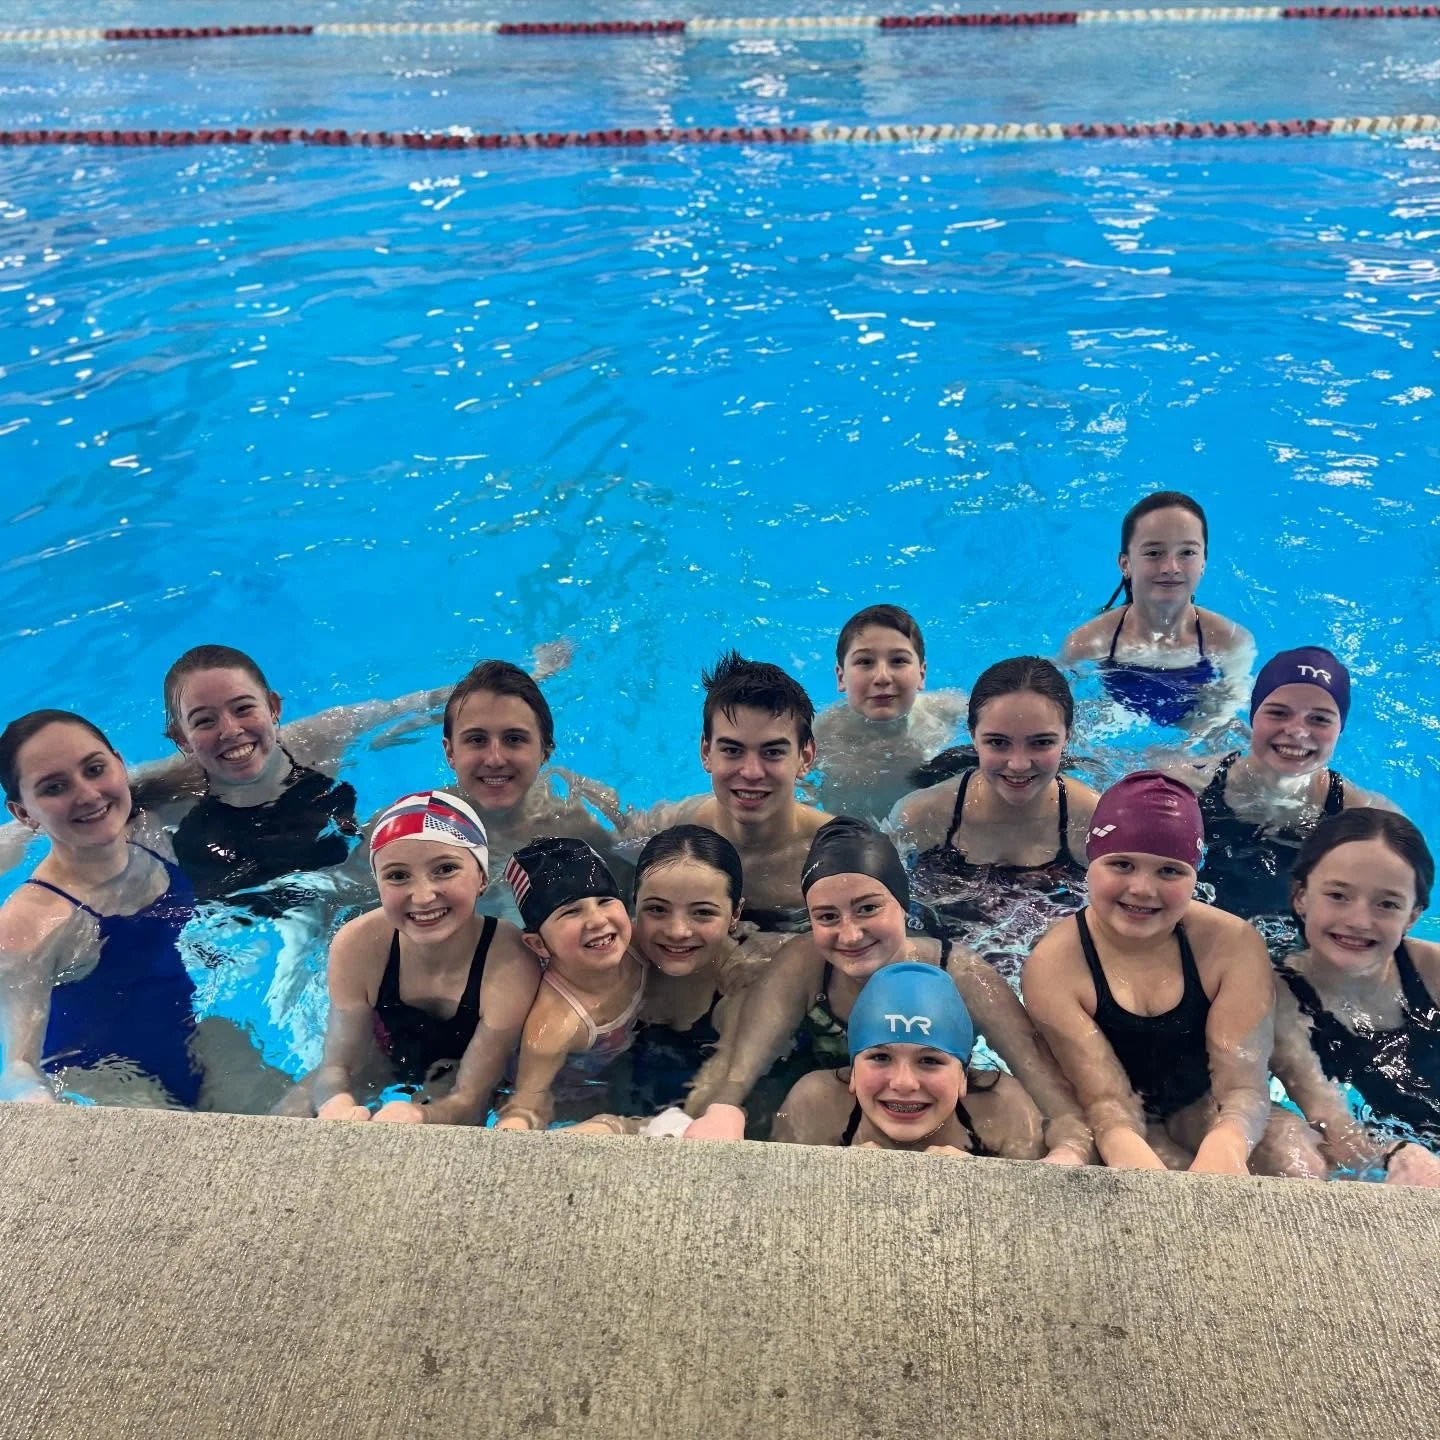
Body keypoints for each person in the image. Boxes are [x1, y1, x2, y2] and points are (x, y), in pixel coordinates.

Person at [681, 816, 1092, 1160]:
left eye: (868, 908)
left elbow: (1055, 1097)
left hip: (943, 1103)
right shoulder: (804, 965)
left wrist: (1066, 1155)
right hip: (832, 1099)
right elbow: (735, 1072)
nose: (850, 934)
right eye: (827, 916)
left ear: (904, 905)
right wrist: (712, 1114)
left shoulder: (963, 976)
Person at [1022, 771, 1323, 1176]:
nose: (1143, 889)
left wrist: (1229, 1142)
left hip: (1201, 1104)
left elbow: (1243, 1087)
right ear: (1090, 862)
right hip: (1100, 1120)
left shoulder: (1231, 944)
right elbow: (1106, 1105)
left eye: (1170, 871)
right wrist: (1142, 1159)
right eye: (1122, 864)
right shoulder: (1054, 965)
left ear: (1195, 876)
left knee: (1297, 1158)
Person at [0, 709, 283, 1110]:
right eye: (54, 787)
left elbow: (250, 758)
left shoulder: (149, 833)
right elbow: (18, 1066)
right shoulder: (26, 926)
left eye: (95, 769)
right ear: (24, 813)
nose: (87, 794)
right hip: (106, 1082)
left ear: (119, 763)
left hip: (193, 1038)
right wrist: (37, 1101)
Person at [310, 790, 540, 1124]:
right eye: (398, 875)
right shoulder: (358, 945)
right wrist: (335, 1102)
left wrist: (420, 1116)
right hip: (383, 1054)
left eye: (445, 869)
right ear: (378, 884)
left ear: (483, 878)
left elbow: (471, 1098)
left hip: (464, 1072)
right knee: (293, 1111)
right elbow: (337, 1067)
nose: (422, 896)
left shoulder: (511, 959)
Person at [1159, 647, 1396, 929]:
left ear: (1339, 729)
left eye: (1319, 718)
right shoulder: (1188, 784)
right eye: (1278, 713)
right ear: (1254, 717)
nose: (1297, 731)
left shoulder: (1366, 816)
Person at [889, 657, 1099, 971]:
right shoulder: (921, 816)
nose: (1018, 764)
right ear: (973, 735)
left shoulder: (1093, 818)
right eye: (998, 743)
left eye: (1041, 743)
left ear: (1067, 736)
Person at [1270, 809, 1440, 1187]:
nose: (1359, 920)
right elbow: (1334, 1125)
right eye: (1338, 895)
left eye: (1387, 904)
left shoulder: (1432, 971)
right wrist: (1395, 1153)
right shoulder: (1279, 998)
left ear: (1412, 917)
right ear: (1300, 897)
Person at [624, 651, 828, 929]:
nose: (751, 772)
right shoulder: (669, 828)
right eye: (732, 750)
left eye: (772, 752)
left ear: (805, 758)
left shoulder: (831, 853)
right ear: (706, 752)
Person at [771, 961, 1045, 1157]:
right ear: (853, 1071)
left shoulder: (1004, 1109)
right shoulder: (816, 1104)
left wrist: (976, 1185)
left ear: (963, 1075)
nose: (903, 1083)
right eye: (880, 1057)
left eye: (929, 1061)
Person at [1060, 491, 1253, 730]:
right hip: (1113, 721)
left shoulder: (1231, 641)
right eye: (1153, 553)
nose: (1171, 567)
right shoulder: (1087, 643)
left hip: (1195, 723)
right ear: (1125, 564)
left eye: (1187, 553)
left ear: (1203, 562)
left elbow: (1227, 712)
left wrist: (1180, 753)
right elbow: (1062, 721)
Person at [440, 660, 628, 900]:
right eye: (477, 740)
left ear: (545, 752)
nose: (495, 759)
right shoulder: (410, 830)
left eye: (514, 739)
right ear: (450, 753)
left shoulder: (577, 831)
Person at [496, 837, 647, 1130]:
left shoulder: (639, 946)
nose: (597, 921)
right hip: (571, 1091)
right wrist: (516, 1124)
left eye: (605, 901)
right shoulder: (554, 1025)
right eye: (571, 912)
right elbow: (528, 1102)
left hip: (623, 1060)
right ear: (538, 944)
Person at [810, 605, 966, 824]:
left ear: (922, 674)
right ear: (841, 677)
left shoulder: (946, 710)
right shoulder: (817, 735)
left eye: (898, 661)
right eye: (865, 662)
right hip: (847, 839)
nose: (882, 677)